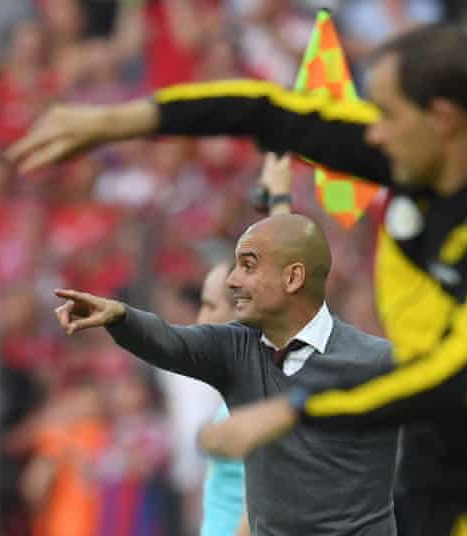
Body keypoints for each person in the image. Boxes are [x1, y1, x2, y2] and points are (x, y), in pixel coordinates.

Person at [9, 24, 467, 535]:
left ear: (444, 117)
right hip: (433, 471)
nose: (373, 135)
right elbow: (266, 110)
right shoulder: (414, 156)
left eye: (387, 114)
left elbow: (454, 372)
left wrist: (293, 410)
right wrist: (117, 121)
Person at [51, 212, 400, 535]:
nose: (233, 281)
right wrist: (121, 317)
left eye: (248, 267)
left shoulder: (376, 361)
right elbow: (171, 342)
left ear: (293, 277)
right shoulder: (236, 349)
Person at [198, 153, 293, 536]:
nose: (199, 320)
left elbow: (263, 504)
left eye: (209, 306)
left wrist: (283, 196)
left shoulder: (263, 390)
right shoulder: (242, 387)